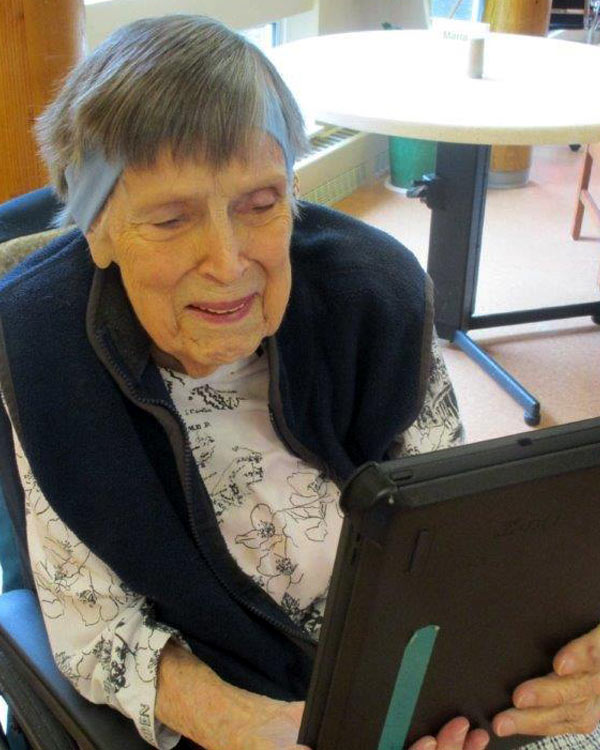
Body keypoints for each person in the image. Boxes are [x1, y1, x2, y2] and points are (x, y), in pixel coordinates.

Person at [0, 13, 599, 750]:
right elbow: (93, 630)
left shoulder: (375, 297)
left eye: (260, 204)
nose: (227, 262)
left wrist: (563, 649)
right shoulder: (48, 352)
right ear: (96, 229)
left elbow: (450, 534)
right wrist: (261, 730)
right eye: (168, 218)